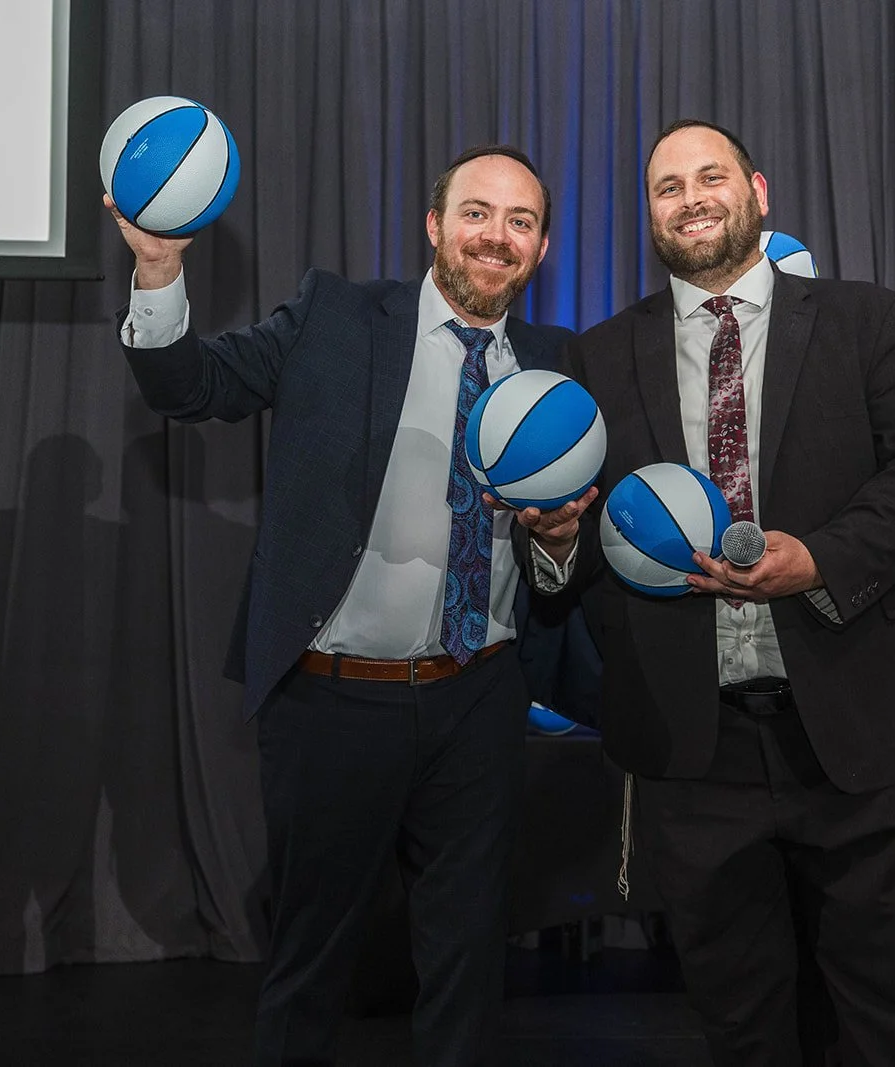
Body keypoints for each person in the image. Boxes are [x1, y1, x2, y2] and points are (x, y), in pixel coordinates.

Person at [110, 144, 594, 1067]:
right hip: (333, 699)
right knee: (311, 962)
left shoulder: (556, 365)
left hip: (481, 695)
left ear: (539, 249)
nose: (496, 236)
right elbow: (192, 387)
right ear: (435, 226)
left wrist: (560, 541)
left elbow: (561, 570)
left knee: (467, 964)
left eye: (520, 221)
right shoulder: (335, 316)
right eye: (477, 212)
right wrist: (160, 266)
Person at [517, 120, 895, 1065]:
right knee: (742, 1029)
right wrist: (558, 542)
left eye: (710, 176)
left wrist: (820, 559)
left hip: (871, 735)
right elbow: (592, 542)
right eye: (668, 187)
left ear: (757, 192)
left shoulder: (866, 319)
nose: (691, 199)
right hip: (697, 755)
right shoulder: (600, 356)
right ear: (650, 215)